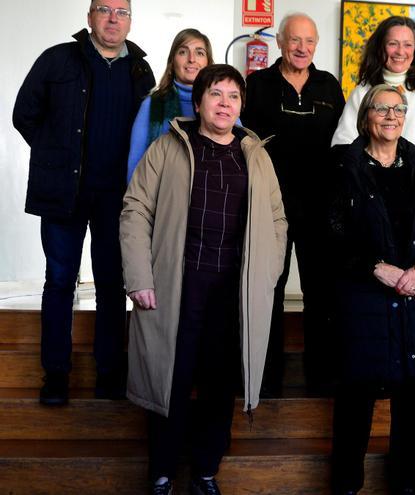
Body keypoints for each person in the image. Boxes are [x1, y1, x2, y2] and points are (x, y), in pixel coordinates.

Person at [120, 64, 287, 495]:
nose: (225, 104)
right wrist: (139, 277)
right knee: (169, 381)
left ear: (241, 106)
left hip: (232, 293)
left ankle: (206, 472)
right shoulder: (167, 148)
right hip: (178, 284)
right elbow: (135, 210)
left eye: (234, 96)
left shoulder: (256, 155)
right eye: (216, 94)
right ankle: (161, 473)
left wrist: (266, 276)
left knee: (218, 386)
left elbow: (277, 220)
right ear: (198, 102)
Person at [12, 0, 155, 405]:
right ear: (89, 16)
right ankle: (55, 374)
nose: (113, 19)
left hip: (117, 198)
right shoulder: (57, 59)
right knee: (59, 282)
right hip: (64, 194)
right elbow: (25, 113)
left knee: (112, 285)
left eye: (121, 12)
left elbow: (150, 133)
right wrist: (56, 157)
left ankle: (109, 372)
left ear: (130, 20)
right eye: (105, 10)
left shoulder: (141, 70)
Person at [328, 85, 415, 495]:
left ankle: (405, 488)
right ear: (366, 117)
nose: (392, 116)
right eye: (382, 109)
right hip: (365, 300)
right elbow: (329, 235)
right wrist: (373, 267)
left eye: (399, 109)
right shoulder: (344, 167)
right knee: (355, 402)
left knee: (411, 403)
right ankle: (346, 486)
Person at [242, 12, 345, 398]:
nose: (302, 48)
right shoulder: (258, 84)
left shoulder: (329, 86)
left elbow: (344, 142)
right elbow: (245, 143)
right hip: (271, 206)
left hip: (320, 207)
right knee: (269, 289)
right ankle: (266, 377)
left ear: (316, 45)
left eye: (310, 41)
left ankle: (321, 376)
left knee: (321, 293)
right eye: (295, 40)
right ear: (281, 42)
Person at [331, 15, 415, 174]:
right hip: (369, 182)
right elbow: (344, 141)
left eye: (408, 45)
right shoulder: (363, 90)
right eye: (393, 44)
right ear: (380, 47)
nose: (400, 51)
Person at [126, 28, 213, 182]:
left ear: (208, 62)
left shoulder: (222, 105)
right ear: (172, 61)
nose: (192, 59)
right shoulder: (151, 105)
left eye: (200, 53)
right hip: (160, 200)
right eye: (183, 52)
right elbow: (135, 168)